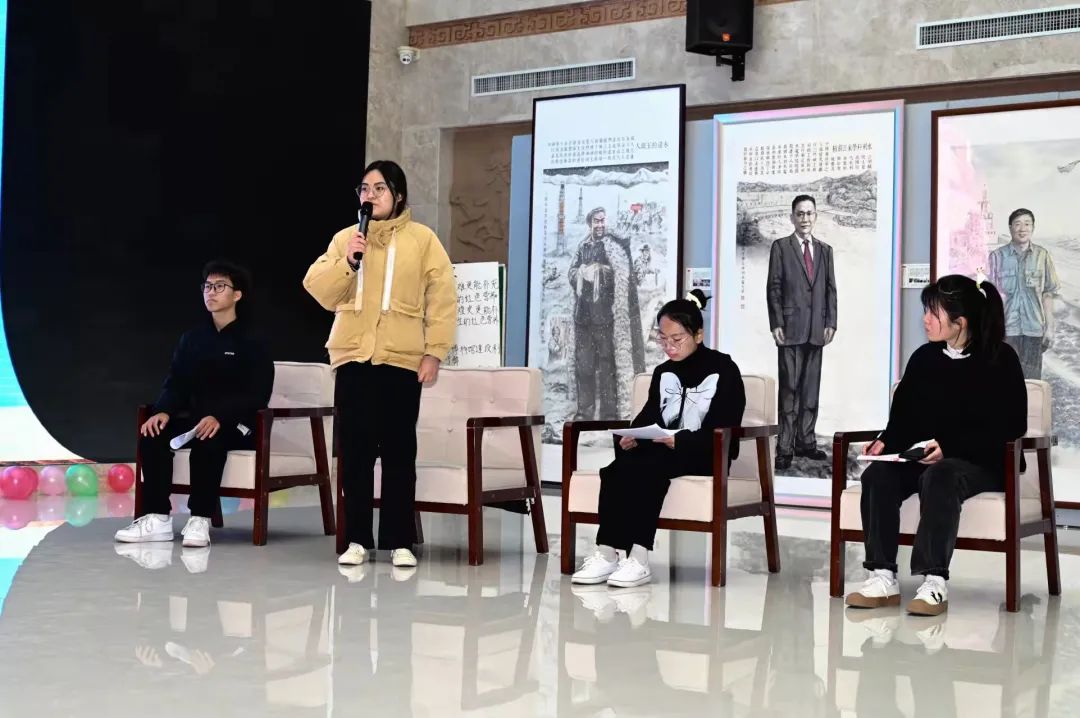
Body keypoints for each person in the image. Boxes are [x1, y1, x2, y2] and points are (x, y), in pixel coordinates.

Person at [303, 160, 456, 569]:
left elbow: (442, 299)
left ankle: (399, 541)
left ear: (398, 195)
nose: (369, 196)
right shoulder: (346, 238)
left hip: (401, 360)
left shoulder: (423, 240)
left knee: (399, 453)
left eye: (379, 188)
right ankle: (357, 539)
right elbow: (318, 289)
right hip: (354, 358)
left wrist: (434, 352)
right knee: (354, 454)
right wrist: (348, 262)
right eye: (364, 189)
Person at [846, 274, 1027, 616]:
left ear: (961, 322)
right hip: (928, 458)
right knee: (877, 476)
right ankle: (882, 576)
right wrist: (884, 442)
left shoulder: (1000, 359)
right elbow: (903, 418)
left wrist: (950, 446)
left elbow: (1010, 426)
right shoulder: (924, 358)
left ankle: (934, 581)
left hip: (982, 462)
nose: (925, 320)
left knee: (941, 475)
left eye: (933, 313)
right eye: (925, 311)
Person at [571, 290, 745, 588]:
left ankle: (638, 558)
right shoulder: (663, 372)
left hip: (705, 454)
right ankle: (607, 553)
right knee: (616, 469)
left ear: (698, 335)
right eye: (663, 339)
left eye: (677, 339)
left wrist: (681, 441)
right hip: (664, 452)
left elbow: (726, 425)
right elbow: (649, 415)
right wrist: (633, 436)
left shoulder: (723, 369)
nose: (669, 347)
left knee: (648, 467)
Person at [115, 260, 274, 548]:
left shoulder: (254, 340)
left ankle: (199, 518)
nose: (211, 292)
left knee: (209, 436)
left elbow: (258, 394)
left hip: (238, 423)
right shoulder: (192, 339)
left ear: (237, 294)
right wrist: (163, 410)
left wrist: (220, 416)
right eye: (207, 286)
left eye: (220, 286)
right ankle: (157, 518)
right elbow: (176, 382)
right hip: (197, 420)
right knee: (152, 434)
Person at [766, 194, 837, 470]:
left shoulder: (825, 250)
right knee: (789, 391)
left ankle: (806, 442)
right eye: (800, 213)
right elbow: (774, 287)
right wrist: (776, 323)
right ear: (792, 217)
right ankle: (784, 447)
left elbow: (830, 289)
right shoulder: (781, 247)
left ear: (816, 216)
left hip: (817, 329)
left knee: (810, 391)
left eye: (809, 213)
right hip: (790, 330)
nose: (805, 218)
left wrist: (831, 322)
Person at [568, 206, 645, 421]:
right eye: (596, 221)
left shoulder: (612, 246)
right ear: (590, 223)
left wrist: (599, 271)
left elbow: (621, 276)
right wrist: (581, 273)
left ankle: (609, 414)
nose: (600, 225)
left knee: (607, 366)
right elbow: (571, 272)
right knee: (584, 365)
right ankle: (584, 412)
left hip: (605, 316)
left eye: (603, 220)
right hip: (583, 316)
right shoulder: (582, 246)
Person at [987, 208, 1060, 379]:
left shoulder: (1043, 256)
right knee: (1005, 381)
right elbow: (990, 298)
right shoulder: (996, 257)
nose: (1022, 229)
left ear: (1033, 227)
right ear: (1010, 227)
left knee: (1032, 383)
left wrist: (1050, 328)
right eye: (1017, 224)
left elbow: (1048, 294)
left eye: (1027, 224)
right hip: (1006, 331)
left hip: (1034, 330)